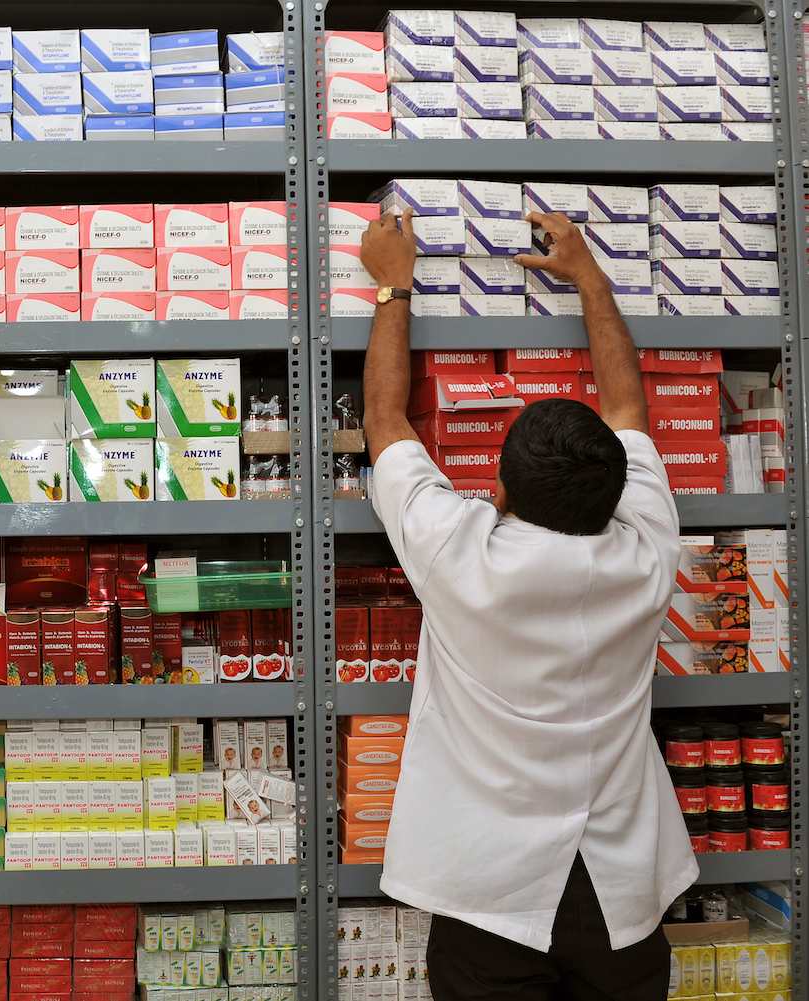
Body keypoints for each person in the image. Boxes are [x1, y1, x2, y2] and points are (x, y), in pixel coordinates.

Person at [355, 208, 698, 1001]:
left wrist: (391, 284)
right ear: (617, 491)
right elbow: (628, 411)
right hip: (622, 899)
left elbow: (384, 419)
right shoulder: (647, 551)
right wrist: (589, 276)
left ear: (497, 489)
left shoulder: (458, 553)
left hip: (492, 898)